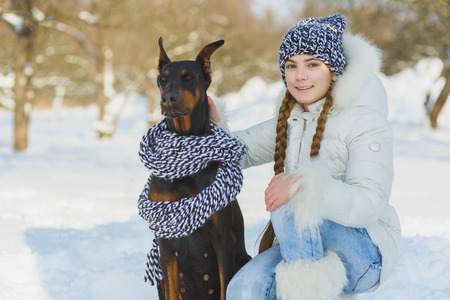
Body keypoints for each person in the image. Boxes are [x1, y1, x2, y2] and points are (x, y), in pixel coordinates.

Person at [208, 13, 401, 300]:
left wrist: (304, 186)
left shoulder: (365, 121)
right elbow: (238, 152)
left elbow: (370, 203)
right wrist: (210, 126)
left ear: (334, 70)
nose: (300, 75)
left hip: (364, 254)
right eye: (291, 65)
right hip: (304, 245)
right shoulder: (292, 119)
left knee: (293, 200)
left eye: (313, 64)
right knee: (244, 289)